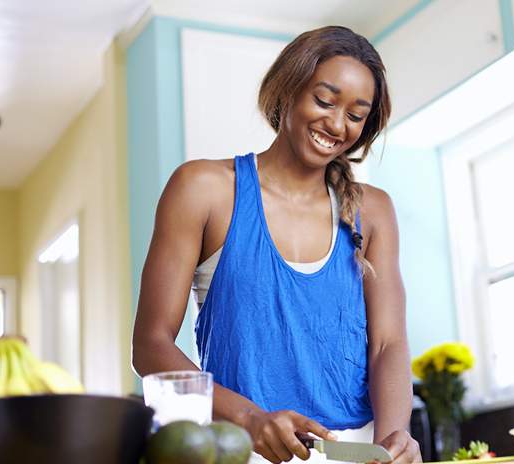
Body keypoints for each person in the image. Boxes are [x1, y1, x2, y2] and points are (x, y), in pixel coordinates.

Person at [132, 26, 421, 464]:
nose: (337, 124)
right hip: (242, 448)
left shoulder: (374, 210)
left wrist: (396, 438)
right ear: (287, 89)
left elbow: (388, 344)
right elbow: (150, 344)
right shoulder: (204, 189)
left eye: (356, 115)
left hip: (358, 453)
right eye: (324, 100)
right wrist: (250, 419)